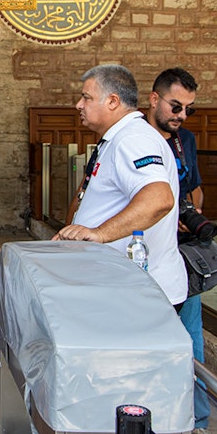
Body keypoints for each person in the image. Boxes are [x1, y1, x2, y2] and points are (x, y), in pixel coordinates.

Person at [148, 68, 217, 434]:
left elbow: (195, 187)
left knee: (190, 339)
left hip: (181, 257)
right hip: (142, 258)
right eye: (176, 106)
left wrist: (191, 210)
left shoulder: (186, 141)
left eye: (189, 109)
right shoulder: (133, 138)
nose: (181, 115)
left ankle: (195, 425)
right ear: (154, 99)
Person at [54, 64, 187, 309]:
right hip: (121, 288)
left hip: (138, 293)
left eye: (86, 97)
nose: (78, 105)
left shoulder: (133, 139)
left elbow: (158, 199)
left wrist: (100, 234)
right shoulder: (119, 137)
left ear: (113, 101)